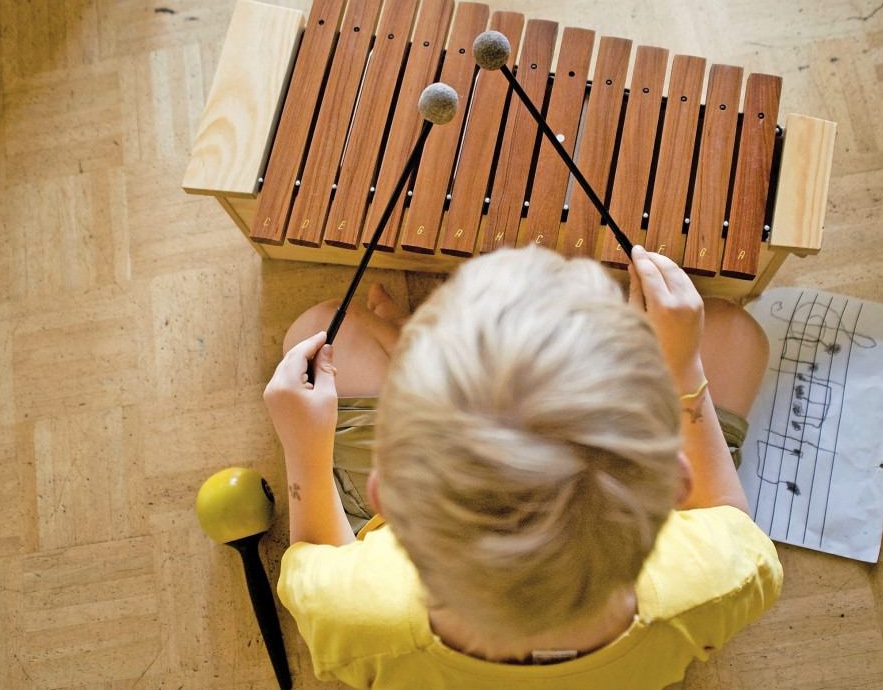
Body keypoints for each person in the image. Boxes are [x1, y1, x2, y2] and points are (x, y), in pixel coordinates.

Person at [264, 245, 782, 688]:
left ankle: (435, 374)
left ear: (387, 498)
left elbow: (315, 551)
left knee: (320, 327)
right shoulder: (716, 579)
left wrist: (304, 450)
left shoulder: (356, 612)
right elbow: (723, 512)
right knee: (731, 329)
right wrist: (680, 363)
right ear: (674, 481)